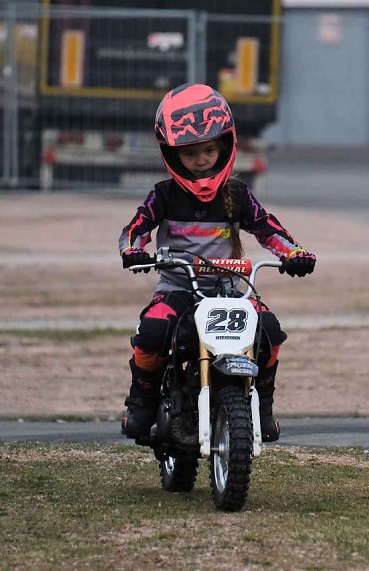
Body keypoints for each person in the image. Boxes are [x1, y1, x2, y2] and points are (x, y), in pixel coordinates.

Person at [118, 83, 316, 442]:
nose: (201, 160)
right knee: (150, 333)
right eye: (190, 153)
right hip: (178, 288)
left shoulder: (237, 194)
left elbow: (269, 228)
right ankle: (141, 403)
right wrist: (132, 250)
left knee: (269, 332)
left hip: (228, 291)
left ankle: (265, 404)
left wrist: (293, 254)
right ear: (172, 154)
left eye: (209, 150)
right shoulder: (163, 195)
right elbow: (135, 229)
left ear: (225, 146)